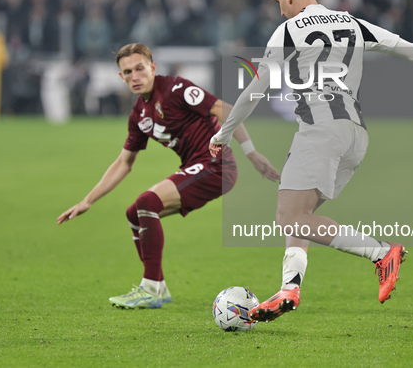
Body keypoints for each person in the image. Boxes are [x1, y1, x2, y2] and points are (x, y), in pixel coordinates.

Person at [209, 0, 413, 322]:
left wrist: (222, 134)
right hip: (355, 135)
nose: (280, 10)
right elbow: (409, 48)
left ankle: (381, 252)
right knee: (301, 216)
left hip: (319, 130)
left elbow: (255, 90)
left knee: (289, 216)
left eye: (280, 1)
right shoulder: (352, 23)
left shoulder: (288, 30)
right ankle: (289, 287)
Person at [58, 42, 280, 309]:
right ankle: (159, 288)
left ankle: (150, 288)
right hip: (195, 166)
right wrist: (88, 200)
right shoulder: (139, 113)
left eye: (139, 68)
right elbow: (123, 163)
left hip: (216, 165)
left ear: (152, 67)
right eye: (127, 72)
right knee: (134, 214)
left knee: (146, 203)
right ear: (121, 77)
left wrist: (251, 152)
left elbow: (227, 109)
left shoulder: (176, 89)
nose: (134, 76)